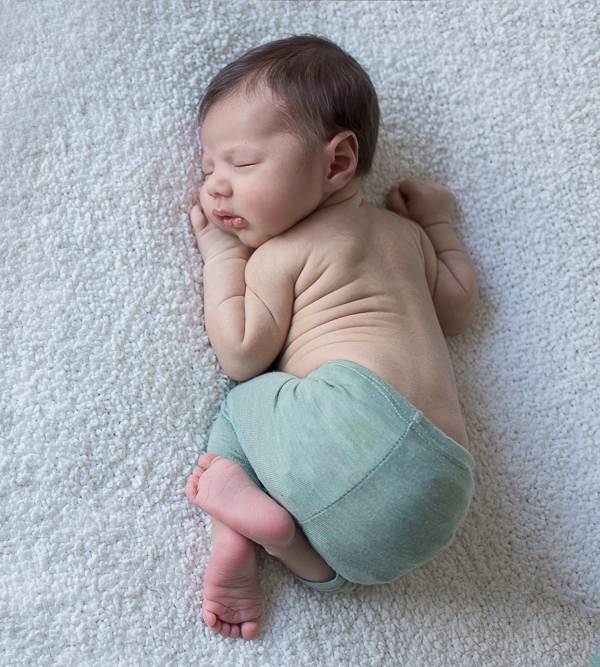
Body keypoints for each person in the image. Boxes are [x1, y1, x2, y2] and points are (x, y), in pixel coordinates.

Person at [184, 35, 479, 640]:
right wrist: (440, 223)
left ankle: (240, 528)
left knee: (240, 411)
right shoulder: (406, 236)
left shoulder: (282, 252)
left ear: (337, 162)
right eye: (209, 168)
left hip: (352, 415)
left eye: (241, 164)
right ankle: (289, 541)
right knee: (358, 570)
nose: (216, 187)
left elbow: (242, 355)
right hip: (443, 486)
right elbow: (458, 310)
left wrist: (220, 257)